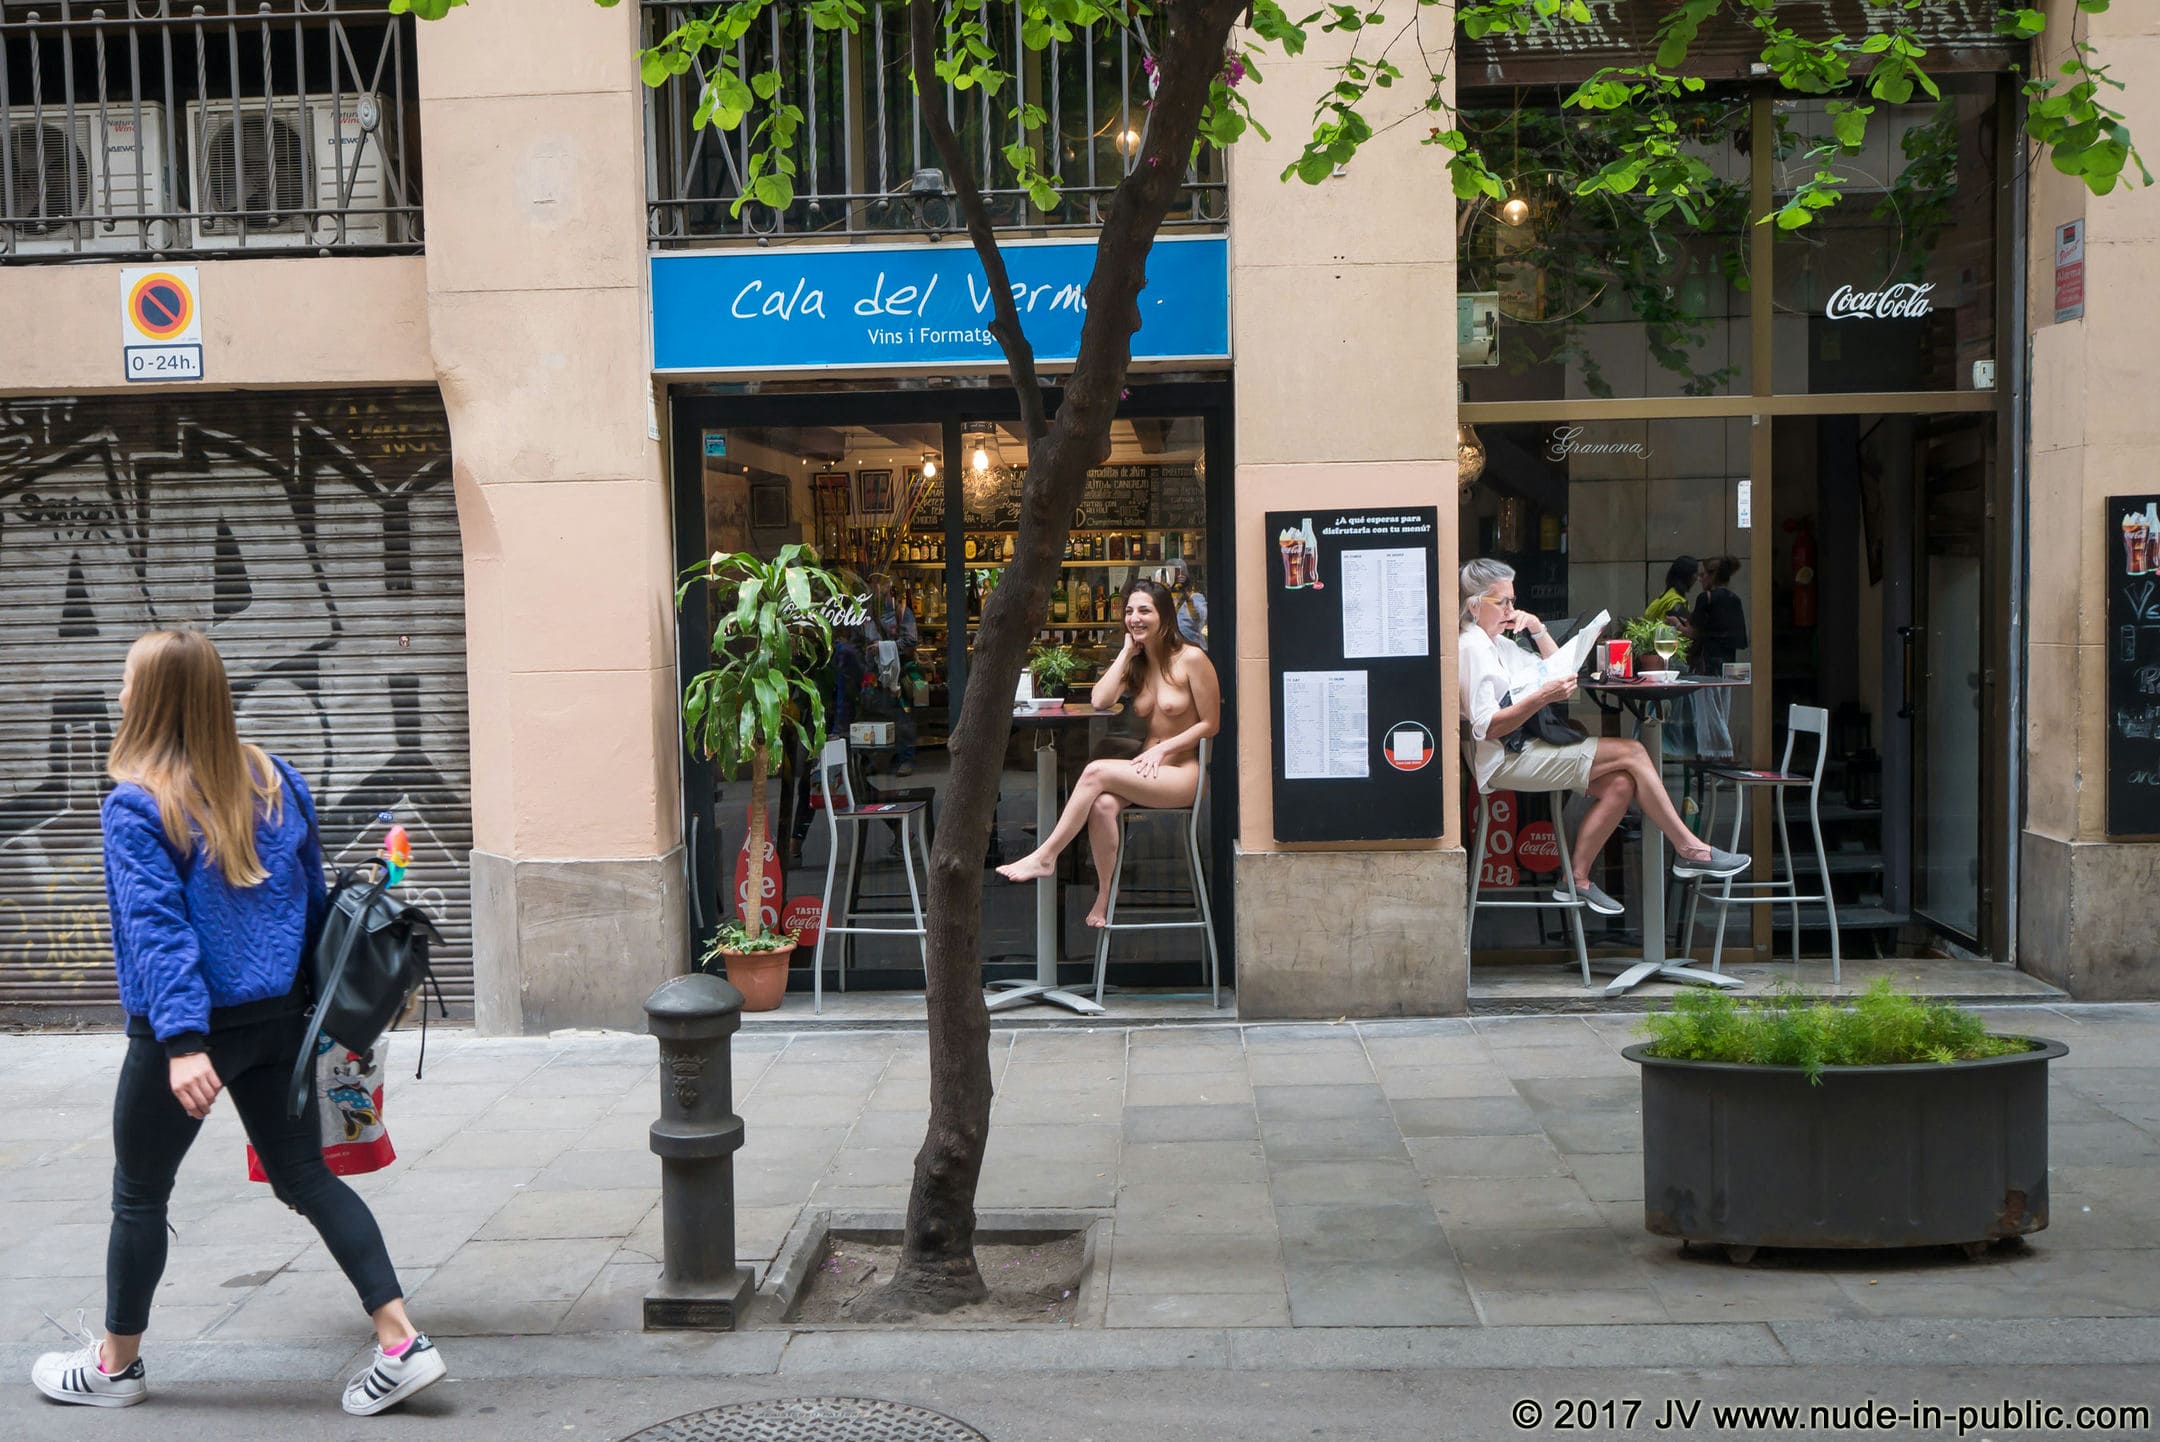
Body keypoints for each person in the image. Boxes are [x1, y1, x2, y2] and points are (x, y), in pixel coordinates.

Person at [31, 630, 446, 1418]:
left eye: (129, 681)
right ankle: (402, 1344)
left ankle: (116, 1367)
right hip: (279, 1022)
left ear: (155, 699)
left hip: (188, 1033)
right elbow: (309, 901)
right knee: (306, 1179)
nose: (120, 692)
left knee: (139, 1195)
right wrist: (315, 1008)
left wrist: (184, 1043)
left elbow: (159, 933)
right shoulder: (274, 777)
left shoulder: (136, 805)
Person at [1459, 559, 1747, 917]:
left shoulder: (1496, 644)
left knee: (1621, 785)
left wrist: (1536, 627)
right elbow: (1487, 727)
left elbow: (1559, 668)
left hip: (1522, 748)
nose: (1510, 610)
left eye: (1513, 602)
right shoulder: (1472, 648)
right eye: (1503, 602)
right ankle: (1690, 850)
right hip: (1504, 758)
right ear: (1475, 605)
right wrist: (1544, 697)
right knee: (1633, 751)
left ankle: (1576, 879)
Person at [996, 578, 1221, 926]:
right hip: (1147, 772)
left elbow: (1211, 724)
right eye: (1129, 611)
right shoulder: (1139, 664)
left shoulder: (1192, 658)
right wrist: (1126, 653)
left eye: (1144, 610)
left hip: (1183, 774)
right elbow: (1100, 700)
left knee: (1095, 771)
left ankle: (1046, 855)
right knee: (1102, 806)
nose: (1135, 618)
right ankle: (1103, 898)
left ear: (1164, 616)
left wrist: (1163, 750)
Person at [1690, 555, 1748, 761]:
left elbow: (1694, 632)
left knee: (1707, 715)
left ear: (1712, 575)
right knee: (1721, 713)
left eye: (1703, 575)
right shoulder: (1734, 599)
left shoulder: (1705, 599)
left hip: (1707, 665)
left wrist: (1677, 625)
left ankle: (1722, 757)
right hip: (1729, 666)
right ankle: (1721, 761)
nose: (1700, 579)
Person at [860, 574, 919, 776]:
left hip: (898, 674)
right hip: (874, 676)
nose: (879, 595)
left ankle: (906, 759)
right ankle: (879, 759)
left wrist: (884, 647)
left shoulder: (902, 612)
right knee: (876, 718)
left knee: (902, 720)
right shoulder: (866, 615)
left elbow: (910, 641)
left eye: (883, 591)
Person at [1171, 563, 1208, 650]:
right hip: (1175, 647)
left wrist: (1188, 600)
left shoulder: (1196, 598)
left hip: (1193, 645)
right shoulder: (1170, 599)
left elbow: (1202, 617)